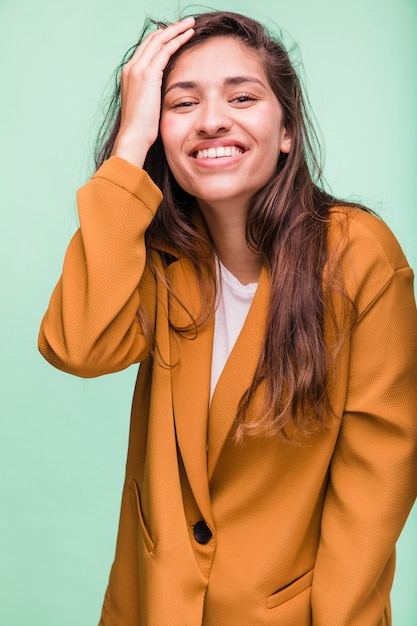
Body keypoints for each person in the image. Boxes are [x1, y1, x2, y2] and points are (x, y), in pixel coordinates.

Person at [38, 10, 417, 626]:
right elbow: (77, 347)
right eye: (181, 104)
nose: (213, 119)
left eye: (242, 96)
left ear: (287, 129)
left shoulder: (358, 256)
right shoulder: (154, 259)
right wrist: (128, 147)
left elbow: (376, 485)